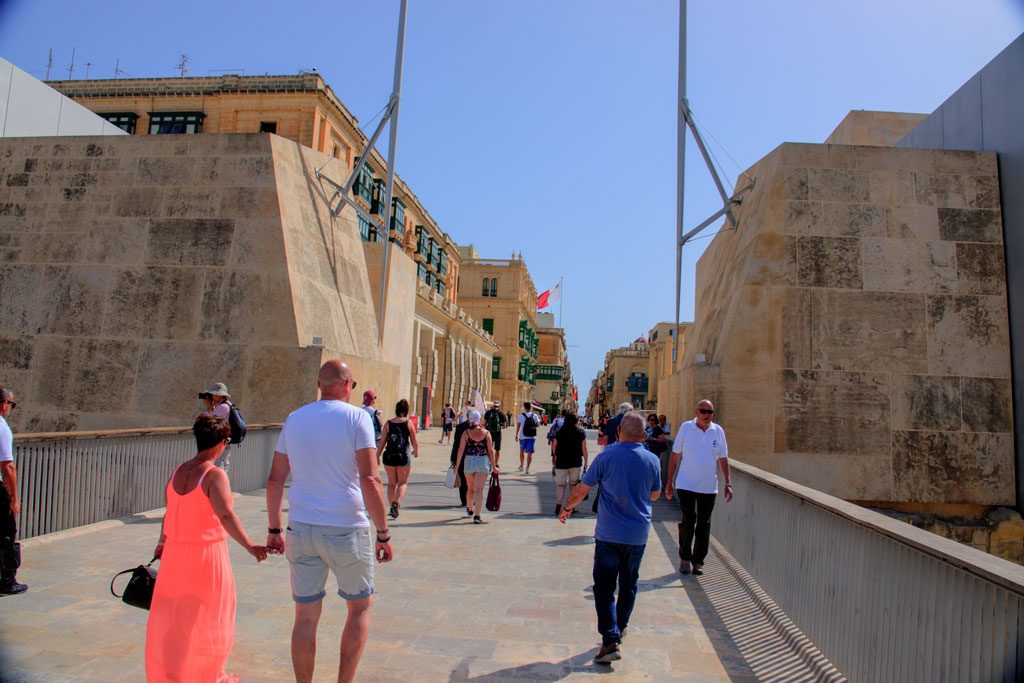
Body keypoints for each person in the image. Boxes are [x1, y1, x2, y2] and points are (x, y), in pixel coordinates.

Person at [265, 360, 394, 683]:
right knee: (360, 608)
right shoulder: (357, 418)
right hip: (346, 527)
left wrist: (274, 529)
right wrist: (383, 532)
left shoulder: (295, 419)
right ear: (347, 384)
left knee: (305, 616)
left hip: (301, 527)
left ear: (320, 383)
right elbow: (369, 479)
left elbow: (275, 481)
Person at [146, 415, 268, 682]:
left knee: (175, 617)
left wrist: (163, 541)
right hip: (205, 556)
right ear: (222, 443)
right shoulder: (214, 475)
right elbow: (226, 516)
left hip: (175, 553)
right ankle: (205, 675)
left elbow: (170, 511)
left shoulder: (178, 469)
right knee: (210, 616)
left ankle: (173, 673)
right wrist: (249, 545)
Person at [559, 412, 661, 664]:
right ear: (644, 435)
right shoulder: (652, 461)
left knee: (604, 587)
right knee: (628, 585)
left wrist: (567, 507)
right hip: (637, 535)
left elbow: (583, 489)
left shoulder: (606, 456)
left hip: (609, 534)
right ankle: (620, 628)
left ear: (618, 433)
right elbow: (656, 495)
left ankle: (610, 639)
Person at [665, 399, 733, 576]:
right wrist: (669, 481)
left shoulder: (718, 431)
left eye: (710, 412)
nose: (707, 415)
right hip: (686, 484)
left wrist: (728, 483)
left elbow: (723, 458)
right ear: (697, 412)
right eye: (703, 411)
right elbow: (675, 455)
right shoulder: (686, 428)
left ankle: (698, 561)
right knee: (689, 519)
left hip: (709, 486)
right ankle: (685, 558)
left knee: (704, 524)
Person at [0, 385, 26, 595]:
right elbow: (7, 466)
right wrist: (14, 499)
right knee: (7, 532)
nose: (10, 408)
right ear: (3, 404)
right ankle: (8, 580)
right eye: (11, 404)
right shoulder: (2, 427)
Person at [454, 410, 498, 524]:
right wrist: (494, 466)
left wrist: (456, 466)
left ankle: (470, 509)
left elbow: (460, 450)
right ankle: (477, 516)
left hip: (468, 461)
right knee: (479, 490)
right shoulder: (486, 433)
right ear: (479, 419)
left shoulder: (466, 433)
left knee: (470, 488)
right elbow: (490, 450)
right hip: (482, 461)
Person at [377, 399, 418, 519]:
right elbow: (414, 441)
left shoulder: (388, 423)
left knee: (391, 484)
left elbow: (382, 441)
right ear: (406, 410)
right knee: (402, 483)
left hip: (389, 456)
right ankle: (397, 502)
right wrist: (416, 451)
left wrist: (377, 455)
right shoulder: (409, 423)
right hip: (403, 457)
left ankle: (391, 507)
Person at [551, 413, 588, 515]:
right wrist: (586, 462)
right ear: (576, 421)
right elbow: (584, 448)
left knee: (560, 485)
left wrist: (556, 456)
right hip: (575, 462)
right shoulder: (581, 432)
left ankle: (558, 504)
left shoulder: (560, 432)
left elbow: (554, 446)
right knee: (573, 485)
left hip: (561, 462)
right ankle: (571, 507)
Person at [198, 382, 234, 473]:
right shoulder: (227, 404)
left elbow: (209, 420)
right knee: (224, 462)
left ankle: (219, 484)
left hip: (221, 439)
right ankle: (224, 484)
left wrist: (208, 407)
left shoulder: (222, 407)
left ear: (219, 395)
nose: (212, 396)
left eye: (213, 394)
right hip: (225, 439)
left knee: (218, 464)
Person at [644, 414, 670, 492]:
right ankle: (648, 483)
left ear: (655, 420)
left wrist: (653, 439)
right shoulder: (647, 428)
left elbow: (663, 439)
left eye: (653, 419)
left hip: (655, 451)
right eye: (650, 419)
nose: (651, 421)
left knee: (655, 467)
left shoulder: (657, 429)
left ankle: (656, 484)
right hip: (646, 451)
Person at [515, 402, 541, 474]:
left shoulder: (521, 415)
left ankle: (521, 465)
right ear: (531, 407)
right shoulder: (534, 415)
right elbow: (538, 424)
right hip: (532, 437)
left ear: (524, 407)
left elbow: (518, 426)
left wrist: (516, 435)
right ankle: (527, 468)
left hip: (522, 436)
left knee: (522, 451)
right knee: (530, 453)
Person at [483, 401, 507, 466]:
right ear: (499, 406)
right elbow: (504, 426)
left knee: (489, 448)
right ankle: (495, 463)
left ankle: (488, 462)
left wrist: (486, 429)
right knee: (497, 449)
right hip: (498, 433)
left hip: (489, 433)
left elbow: (484, 423)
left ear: (493, 405)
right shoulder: (501, 413)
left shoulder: (488, 412)